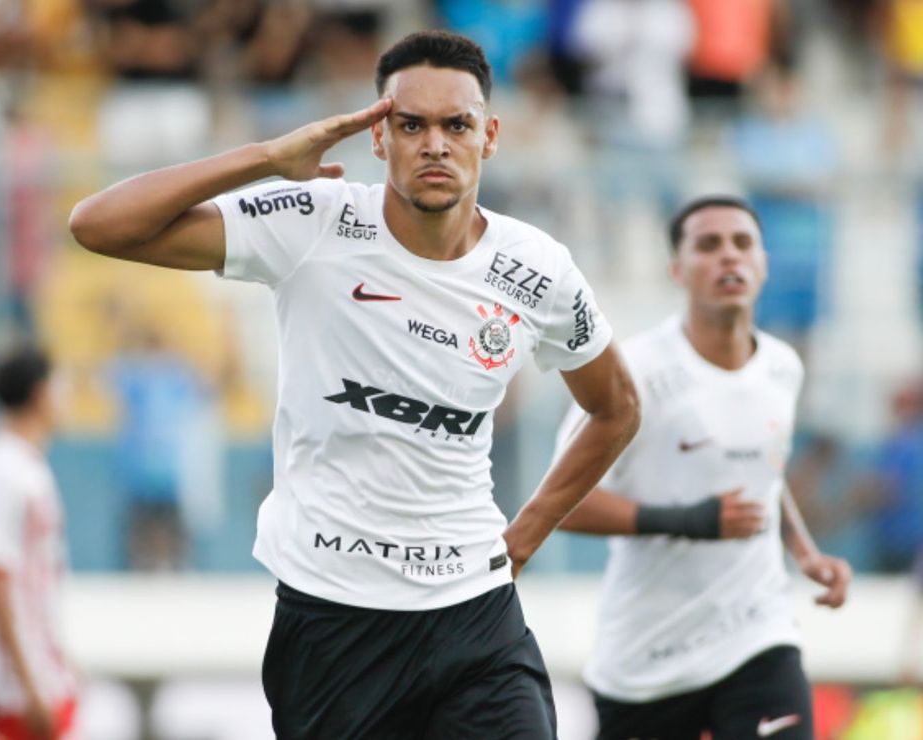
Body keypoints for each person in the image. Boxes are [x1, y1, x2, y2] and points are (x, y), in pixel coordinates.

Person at [70, 30, 639, 738]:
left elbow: (616, 408)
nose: (436, 144)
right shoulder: (314, 221)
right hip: (335, 622)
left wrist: (524, 536)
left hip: (475, 613)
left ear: (489, 136)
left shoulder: (537, 269)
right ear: (379, 137)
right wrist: (267, 159)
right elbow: (98, 226)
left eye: (456, 125)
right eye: (412, 124)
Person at [555, 195, 852, 740]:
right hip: (648, 661)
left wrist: (805, 553)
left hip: (757, 637)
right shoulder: (632, 372)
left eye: (743, 244)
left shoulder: (784, 366)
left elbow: (767, 469)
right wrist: (694, 519)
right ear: (677, 268)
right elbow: (560, 502)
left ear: (763, 263)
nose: (729, 258)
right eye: (709, 245)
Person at [0, 345, 77, 739]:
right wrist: (27, 681)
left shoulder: (24, 464)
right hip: (13, 688)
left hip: (39, 672)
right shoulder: (1, 468)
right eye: (60, 386)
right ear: (39, 393)